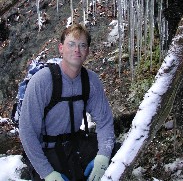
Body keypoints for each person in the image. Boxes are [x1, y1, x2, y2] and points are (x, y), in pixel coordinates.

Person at [19, 23, 115, 181]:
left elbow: (104, 122)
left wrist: (103, 156)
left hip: (76, 144)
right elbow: (27, 132)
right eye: (71, 44)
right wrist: (47, 173)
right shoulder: (42, 81)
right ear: (61, 48)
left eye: (82, 45)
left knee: (117, 154)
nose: (77, 50)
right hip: (45, 151)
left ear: (87, 52)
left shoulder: (90, 80)